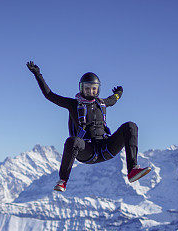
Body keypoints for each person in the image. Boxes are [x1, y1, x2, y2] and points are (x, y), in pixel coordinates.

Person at [26, 61, 151, 192]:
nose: (90, 91)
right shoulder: (73, 104)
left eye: (93, 88)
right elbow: (49, 95)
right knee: (72, 141)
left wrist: (119, 93)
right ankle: (63, 180)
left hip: (106, 148)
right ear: (81, 88)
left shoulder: (102, 103)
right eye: (87, 88)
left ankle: (132, 170)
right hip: (87, 151)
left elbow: (113, 99)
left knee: (130, 126)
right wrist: (37, 74)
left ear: (98, 89)